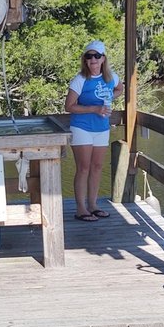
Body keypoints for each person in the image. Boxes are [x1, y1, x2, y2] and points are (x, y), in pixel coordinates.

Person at [65, 40, 123, 222]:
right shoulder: (80, 79)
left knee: (97, 167)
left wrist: (110, 97)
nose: (93, 60)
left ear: (103, 58)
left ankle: (93, 205)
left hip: (102, 128)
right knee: (83, 168)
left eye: (97, 56)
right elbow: (69, 106)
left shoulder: (111, 77)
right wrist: (94, 109)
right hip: (81, 127)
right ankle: (81, 209)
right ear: (85, 60)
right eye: (89, 56)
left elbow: (120, 88)